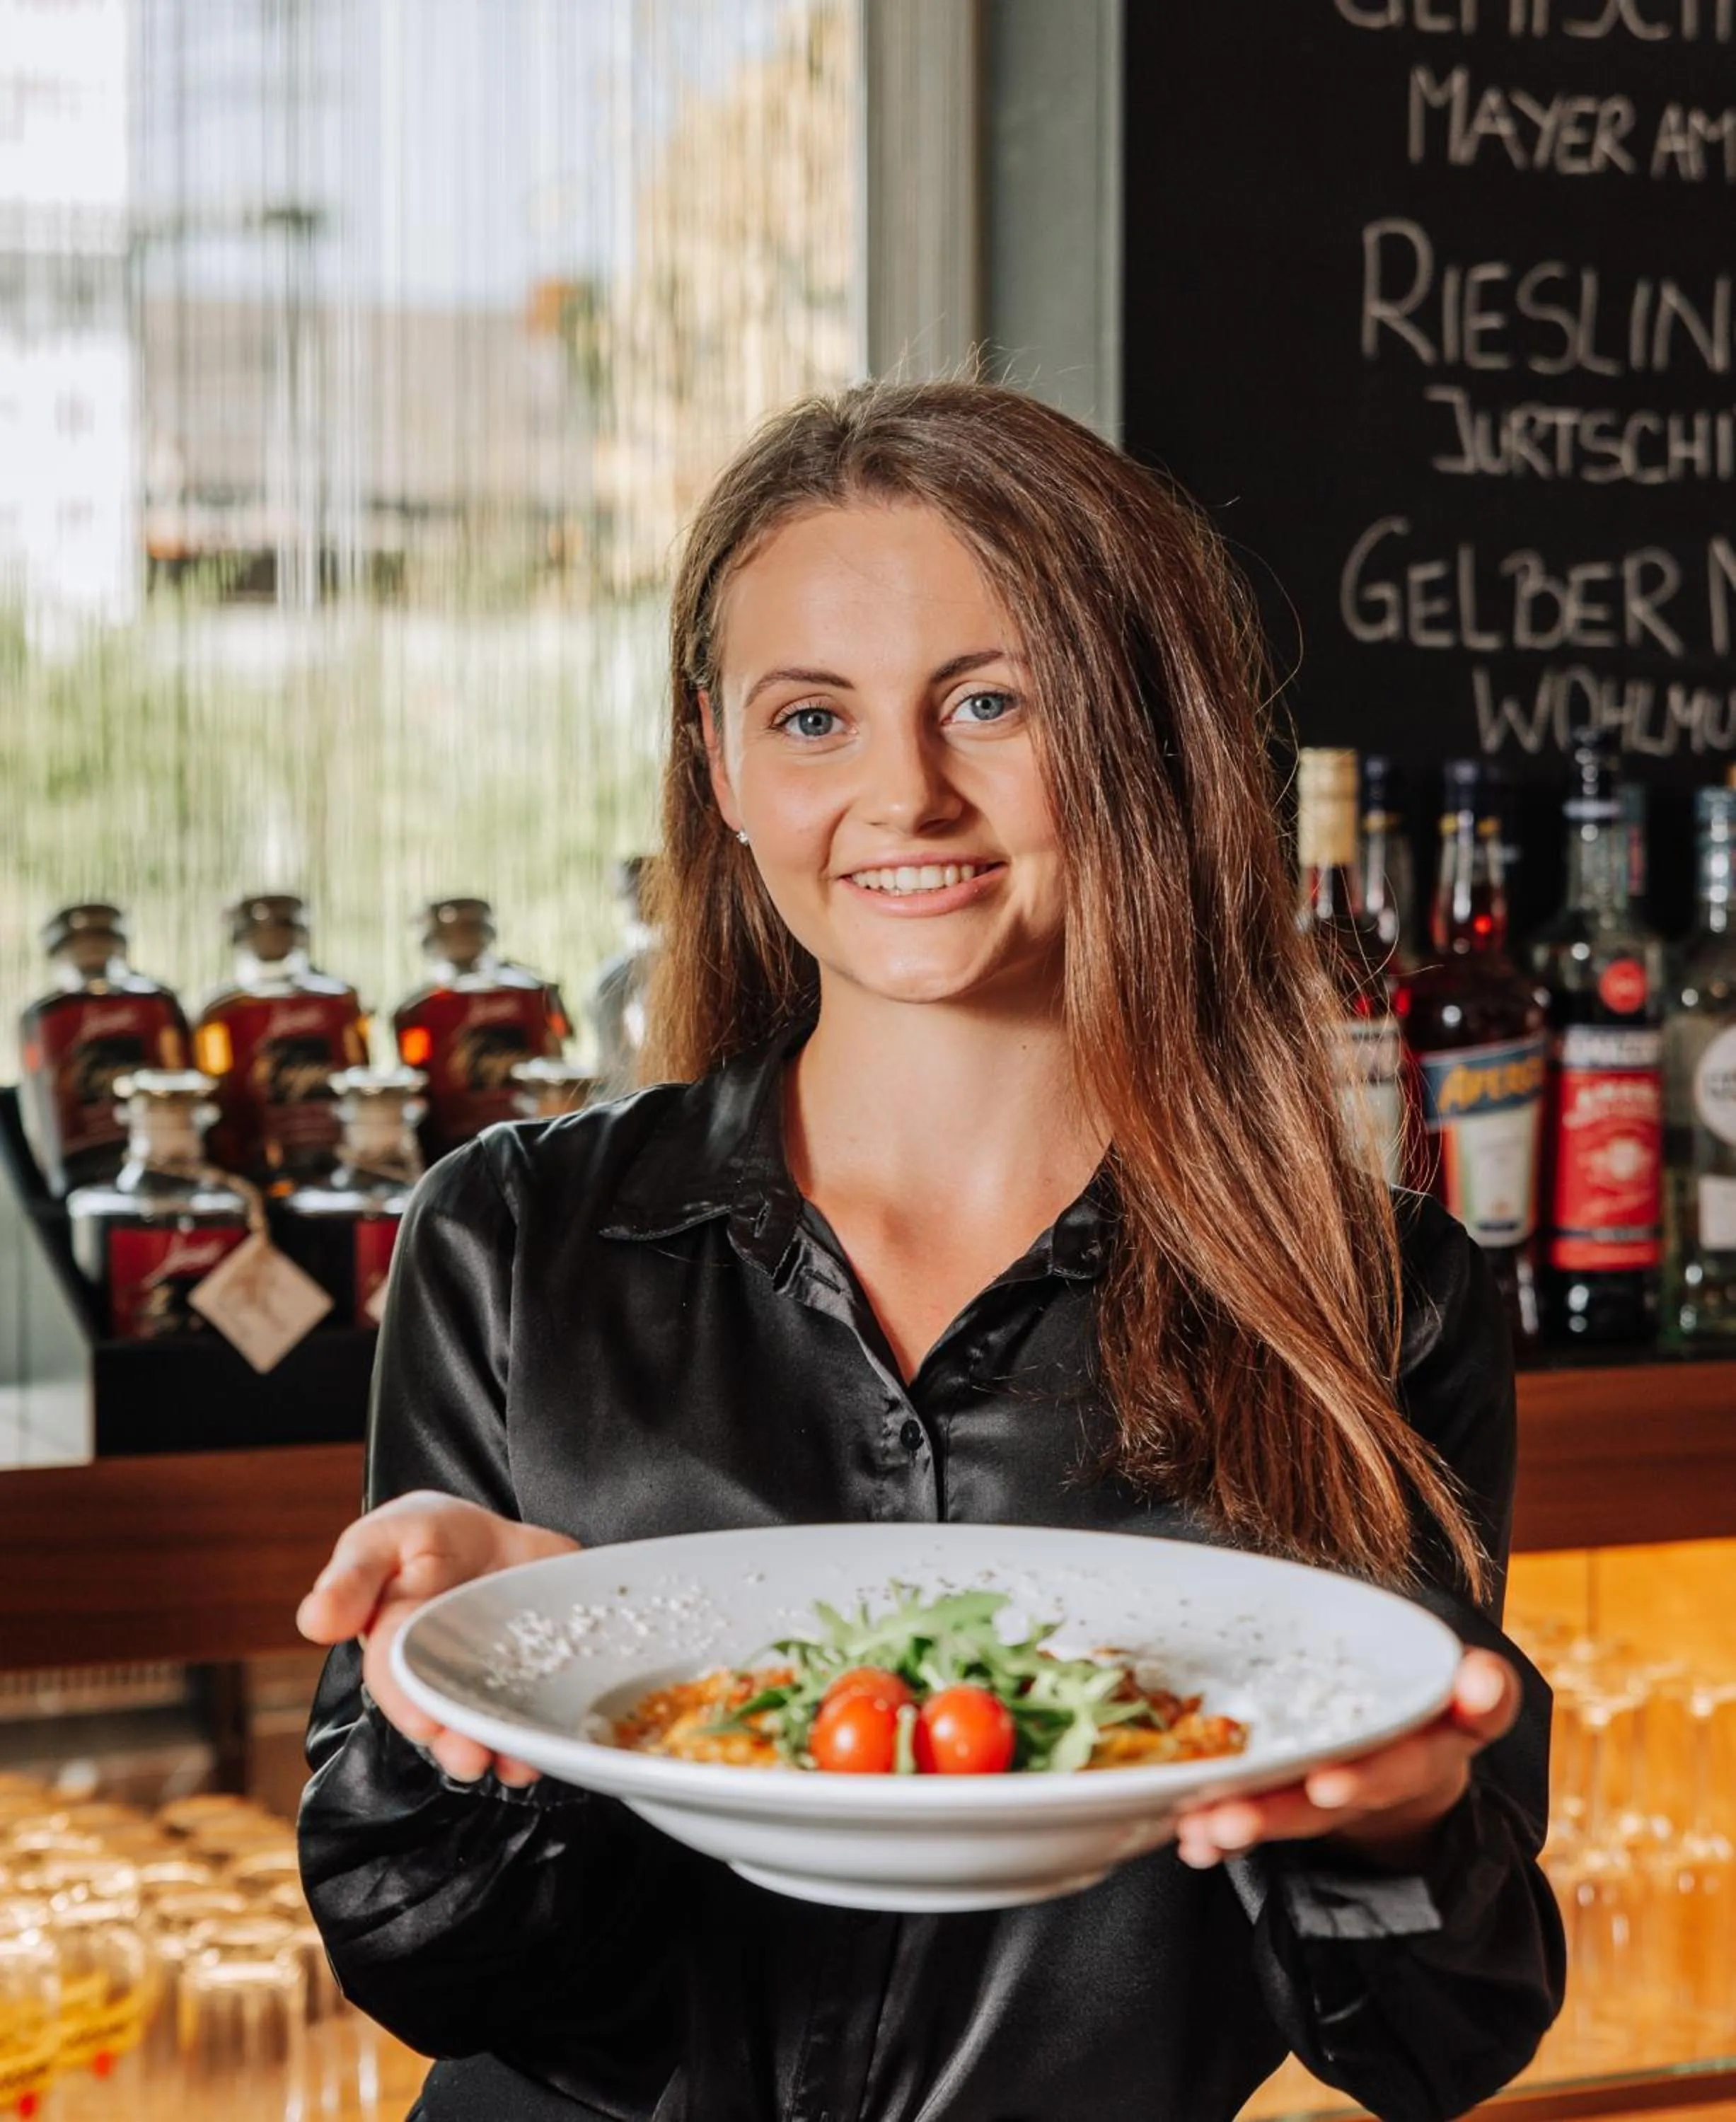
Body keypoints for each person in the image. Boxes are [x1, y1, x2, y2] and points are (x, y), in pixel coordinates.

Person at [296, 380, 1566, 2122]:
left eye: (988, 703)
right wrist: (466, 1718)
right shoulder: (514, 1234)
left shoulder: (1374, 1294)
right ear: (720, 762)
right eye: (812, 717)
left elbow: (1434, 2046)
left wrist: (1404, 1820)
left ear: (1135, 737)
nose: (905, 793)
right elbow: (428, 1969)